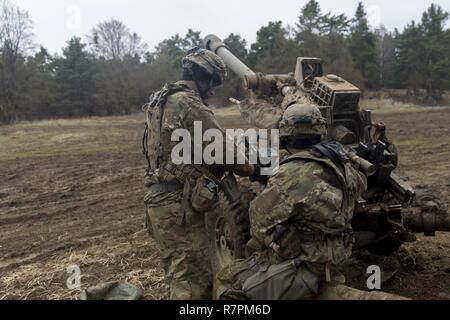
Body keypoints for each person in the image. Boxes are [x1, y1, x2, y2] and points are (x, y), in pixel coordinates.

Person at [215, 104, 368, 300]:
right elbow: (360, 185)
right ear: (320, 132)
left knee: (226, 281)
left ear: (285, 134)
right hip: (337, 255)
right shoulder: (341, 164)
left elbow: (258, 224)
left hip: (306, 264)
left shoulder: (289, 174)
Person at [142, 47, 256, 300]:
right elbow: (227, 154)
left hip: (157, 202)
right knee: (195, 282)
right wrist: (250, 166)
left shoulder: (159, 100)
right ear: (200, 76)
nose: (213, 89)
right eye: (212, 81)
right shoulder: (189, 103)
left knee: (177, 273)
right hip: (178, 207)